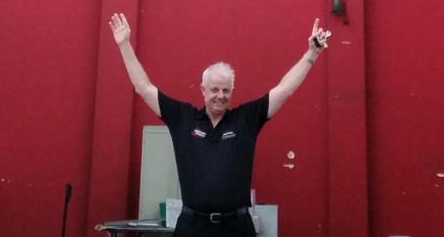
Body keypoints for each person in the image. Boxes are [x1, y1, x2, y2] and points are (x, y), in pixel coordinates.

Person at [109, 12, 331, 236]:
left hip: (237, 227)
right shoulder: (183, 118)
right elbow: (143, 88)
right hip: (192, 227)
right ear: (203, 90)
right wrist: (124, 44)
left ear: (232, 92)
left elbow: (284, 90)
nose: (220, 95)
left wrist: (311, 54)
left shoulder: (246, 119)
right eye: (214, 89)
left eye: (226, 90)